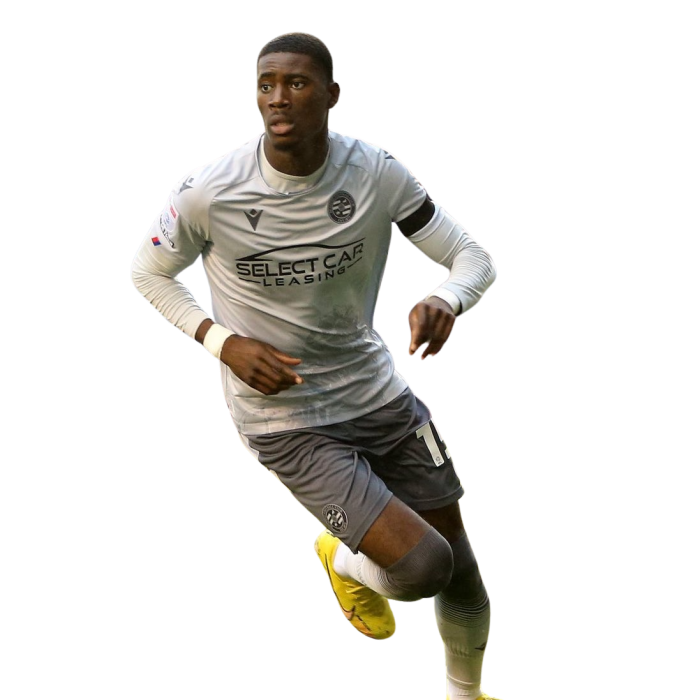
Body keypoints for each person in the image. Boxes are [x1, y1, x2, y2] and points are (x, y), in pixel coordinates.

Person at [130, 31, 500, 700]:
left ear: (331, 96)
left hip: (379, 393)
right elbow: (148, 271)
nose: (279, 97)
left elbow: (473, 259)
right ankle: (342, 557)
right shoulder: (210, 189)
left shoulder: (376, 171)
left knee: (463, 567)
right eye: (266, 84)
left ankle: (465, 694)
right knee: (424, 568)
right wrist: (220, 340)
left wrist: (446, 299)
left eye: (297, 83)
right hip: (285, 417)